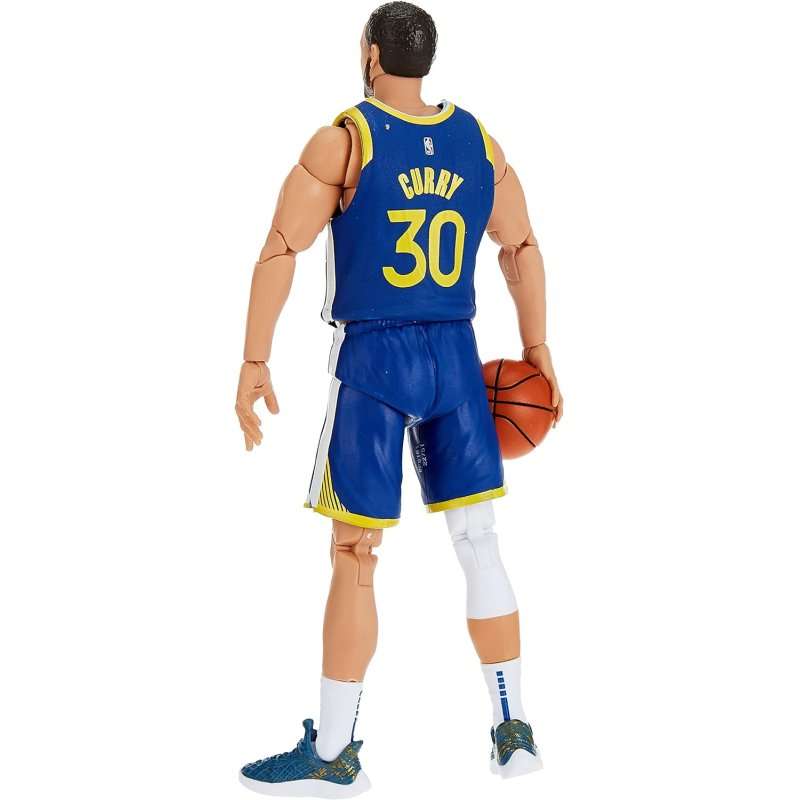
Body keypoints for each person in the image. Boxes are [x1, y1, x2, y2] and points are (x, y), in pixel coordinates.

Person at [235, 2, 563, 795]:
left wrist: (253, 359)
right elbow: (520, 246)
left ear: (372, 55)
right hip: (456, 358)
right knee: (479, 541)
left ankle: (334, 750)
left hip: (378, 362)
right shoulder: (479, 142)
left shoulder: (345, 140)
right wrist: (539, 351)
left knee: (355, 553)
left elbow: (280, 248)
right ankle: (513, 731)